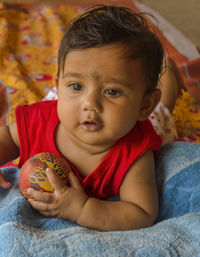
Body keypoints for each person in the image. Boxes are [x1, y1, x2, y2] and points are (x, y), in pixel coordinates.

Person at [0, 5, 184, 231]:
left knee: (165, 109)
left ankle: (169, 73)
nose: (90, 104)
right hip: (60, 107)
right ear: (59, 83)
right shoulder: (38, 122)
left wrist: (83, 208)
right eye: (76, 85)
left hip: (147, 121)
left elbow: (141, 213)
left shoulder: (134, 154)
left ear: (144, 105)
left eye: (112, 91)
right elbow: (7, 136)